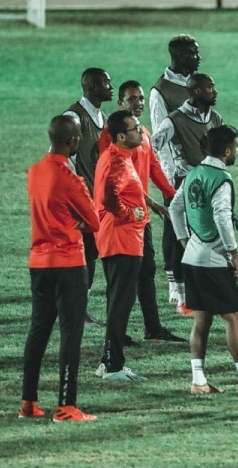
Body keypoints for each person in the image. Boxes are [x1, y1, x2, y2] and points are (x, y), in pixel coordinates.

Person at [169, 125, 238, 396]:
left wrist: (184, 240)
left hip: (192, 258)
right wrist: (234, 253)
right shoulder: (221, 178)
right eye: (236, 147)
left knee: (201, 321)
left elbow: (175, 207)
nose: (237, 152)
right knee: (234, 319)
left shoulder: (193, 173)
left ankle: (198, 381)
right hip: (213, 260)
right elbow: (221, 216)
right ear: (227, 151)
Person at [153, 74, 238, 316]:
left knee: (215, 236)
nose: (215, 91)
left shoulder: (215, 117)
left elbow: (222, 144)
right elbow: (154, 145)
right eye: (210, 87)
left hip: (210, 179)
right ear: (196, 91)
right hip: (190, 182)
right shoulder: (174, 120)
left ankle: (228, 297)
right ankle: (182, 297)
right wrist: (174, 168)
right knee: (186, 237)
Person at [19, 115, 99, 422]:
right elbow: (93, 222)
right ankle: (66, 406)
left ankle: (28, 402)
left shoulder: (34, 172)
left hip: (39, 262)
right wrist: (76, 220)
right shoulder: (70, 179)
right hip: (68, 263)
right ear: (72, 141)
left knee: (38, 331)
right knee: (70, 333)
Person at [98, 81, 185, 344]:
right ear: (120, 104)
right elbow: (115, 181)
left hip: (139, 214)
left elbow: (153, 167)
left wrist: (171, 195)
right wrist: (144, 206)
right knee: (120, 278)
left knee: (146, 270)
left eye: (141, 98)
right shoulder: (114, 137)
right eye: (132, 99)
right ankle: (116, 336)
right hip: (123, 219)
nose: (138, 103)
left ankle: (152, 328)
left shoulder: (142, 132)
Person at [93, 110, 149, 381]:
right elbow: (109, 197)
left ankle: (108, 362)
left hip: (119, 239)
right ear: (121, 136)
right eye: (136, 128)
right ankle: (113, 366)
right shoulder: (117, 160)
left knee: (118, 301)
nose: (141, 131)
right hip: (122, 239)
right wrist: (129, 214)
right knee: (120, 304)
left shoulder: (118, 156)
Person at [150, 34, 201, 308]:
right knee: (174, 225)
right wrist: (172, 176)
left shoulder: (197, 83)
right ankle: (174, 283)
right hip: (177, 174)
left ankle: (194, 281)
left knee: (196, 224)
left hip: (199, 170)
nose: (198, 58)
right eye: (193, 53)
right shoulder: (160, 91)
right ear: (179, 56)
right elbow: (159, 137)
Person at [63, 67, 114, 327]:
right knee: (81, 256)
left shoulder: (102, 117)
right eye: (106, 83)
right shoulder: (74, 117)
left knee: (90, 254)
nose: (111, 87)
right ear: (93, 86)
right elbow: (62, 159)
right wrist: (76, 195)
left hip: (95, 202)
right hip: (79, 202)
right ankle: (74, 310)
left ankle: (78, 308)